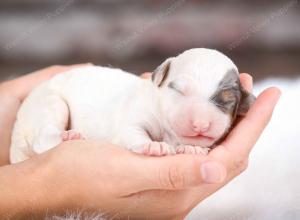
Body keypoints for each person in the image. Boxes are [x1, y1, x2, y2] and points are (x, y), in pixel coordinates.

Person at [0, 64, 281, 219]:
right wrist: (34, 184)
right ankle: (47, 140)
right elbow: (129, 135)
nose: (199, 122)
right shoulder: (138, 108)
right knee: (51, 108)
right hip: (56, 108)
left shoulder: (155, 104)